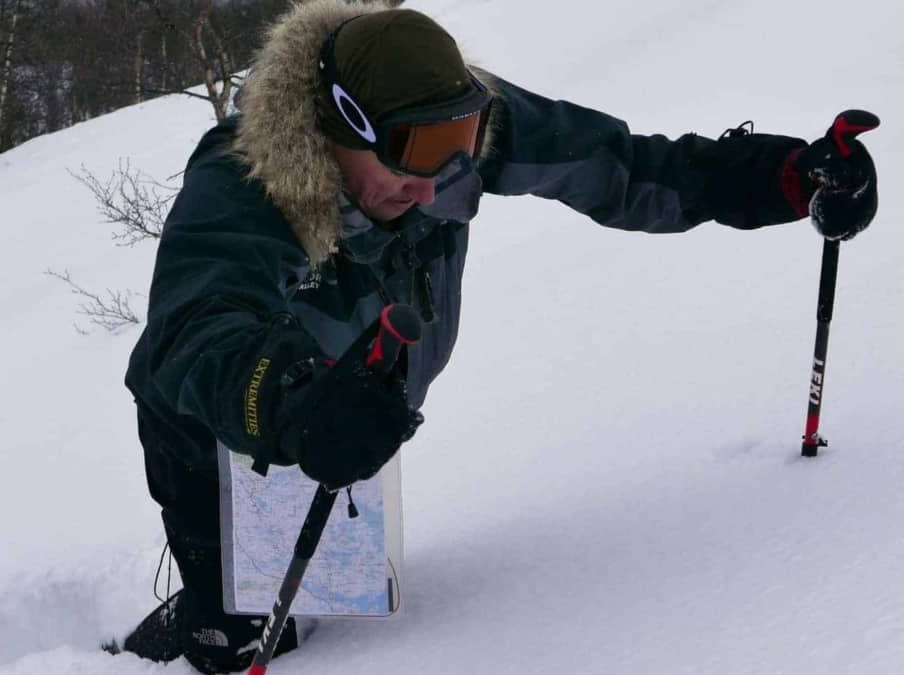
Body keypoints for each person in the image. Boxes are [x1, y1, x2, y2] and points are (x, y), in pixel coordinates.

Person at [119, 1, 879, 672]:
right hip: (230, 423)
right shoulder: (244, 178)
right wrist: (288, 399)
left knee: (337, 587)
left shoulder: (455, 138)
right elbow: (195, 325)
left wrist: (783, 176)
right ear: (336, 123)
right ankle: (191, 634)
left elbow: (622, 166)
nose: (432, 183)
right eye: (412, 152)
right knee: (242, 634)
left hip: (357, 405)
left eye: (458, 141)